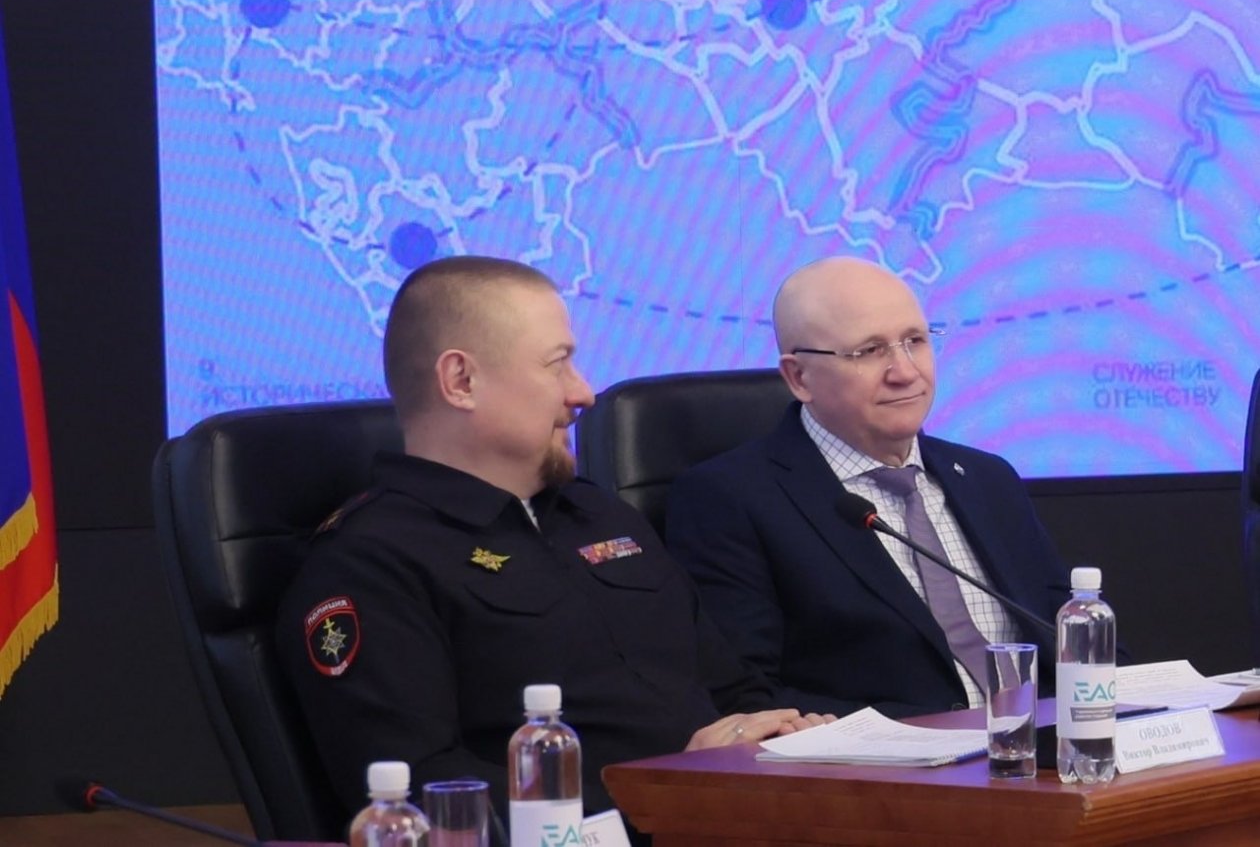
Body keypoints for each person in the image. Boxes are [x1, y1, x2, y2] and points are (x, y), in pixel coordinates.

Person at [275, 256, 824, 831]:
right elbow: (419, 793)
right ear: (461, 381)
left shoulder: (601, 515)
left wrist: (791, 739)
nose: (583, 393)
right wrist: (664, 794)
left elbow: (732, 690)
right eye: (557, 364)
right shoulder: (371, 563)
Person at [666, 256, 1072, 719]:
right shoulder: (729, 499)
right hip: (891, 759)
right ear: (799, 377)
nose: (905, 372)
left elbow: (1072, 637)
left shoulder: (987, 478)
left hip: (1043, 746)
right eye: (870, 351)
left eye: (915, 341)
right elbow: (748, 695)